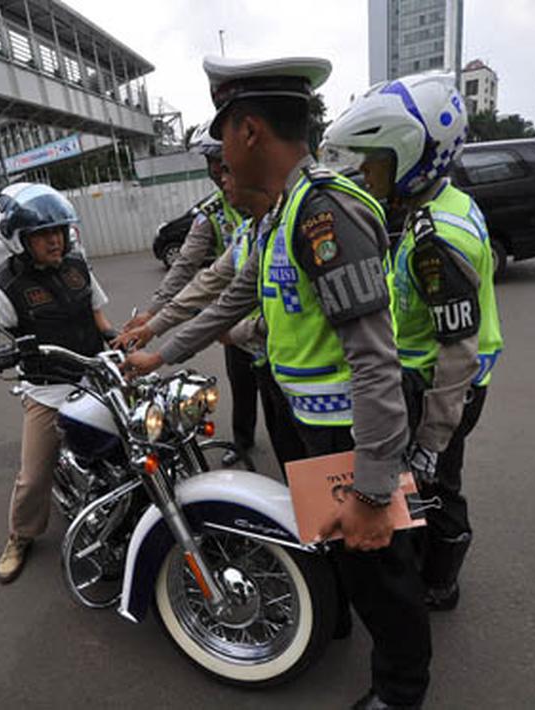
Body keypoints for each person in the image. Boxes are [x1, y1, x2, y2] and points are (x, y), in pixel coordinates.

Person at [122, 56, 431, 710]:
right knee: (332, 543)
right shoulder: (279, 215)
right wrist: (157, 355)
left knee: (380, 562)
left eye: (224, 134)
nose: (222, 157)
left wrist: (373, 487)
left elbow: (375, 360)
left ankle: (401, 691)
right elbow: (230, 300)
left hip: (350, 429)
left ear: (249, 130)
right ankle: (338, 615)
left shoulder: (324, 213)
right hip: (307, 419)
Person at [320, 71, 504, 612]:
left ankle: (440, 583)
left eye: (375, 160)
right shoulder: (442, 204)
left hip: (441, 387)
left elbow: (458, 353)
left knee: (438, 488)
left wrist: (431, 439)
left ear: (412, 158)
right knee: (432, 486)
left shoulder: (436, 241)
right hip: (433, 378)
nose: (364, 171)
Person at [0, 182, 116, 585]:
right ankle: (21, 535)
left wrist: (119, 338)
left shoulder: (77, 265)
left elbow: (97, 316)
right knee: (34, 476)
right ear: (19, 239)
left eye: (59, 231)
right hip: (49, 391)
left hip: (94, 376)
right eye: (43, 234)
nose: (55, 240)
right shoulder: (2, 285)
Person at [112, 169, 307, 470]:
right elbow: (209, 287)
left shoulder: (296, 223)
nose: (221, 178)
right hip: (269, 358)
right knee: (290, 456)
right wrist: (152, 329)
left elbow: (295, 314)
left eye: (229, 168)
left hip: (316, 387)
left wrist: (237, 331)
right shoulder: (252, 234)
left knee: (320, 470)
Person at [120, 123, 257, 465]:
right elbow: (196, 274)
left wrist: (157, 349)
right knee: (244, 386)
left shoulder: (280, 215)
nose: (218, 174)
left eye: (224, 164)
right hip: (233, 318)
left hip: (270, 333)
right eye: (212, 165)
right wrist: (152, 319)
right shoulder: (226, 220)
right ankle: (243, 443)